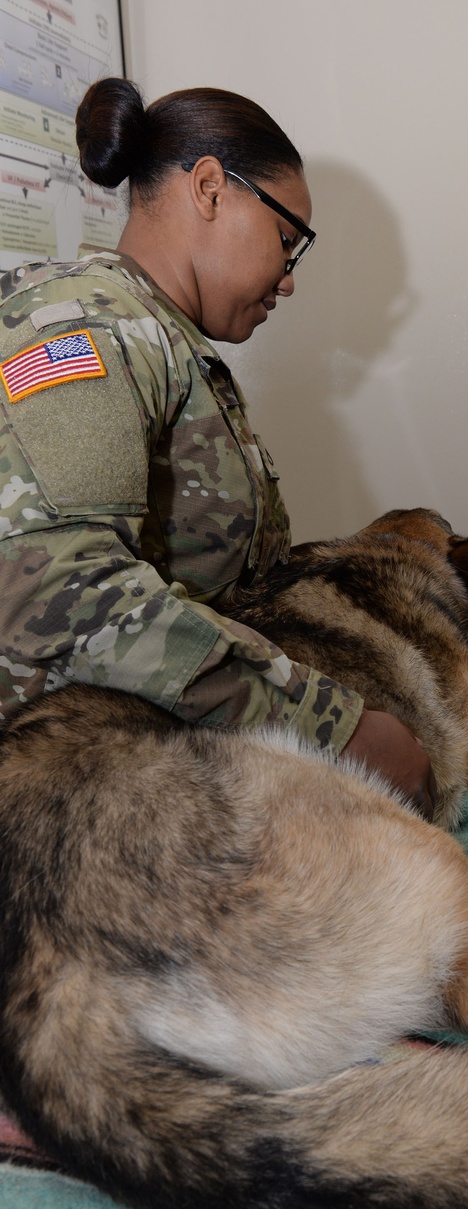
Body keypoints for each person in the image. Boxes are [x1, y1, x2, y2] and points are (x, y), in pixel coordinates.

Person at [0, 77, 434, 813]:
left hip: (162, 762)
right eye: (286, 242)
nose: (288, 282)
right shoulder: (83, 327)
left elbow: (234, 589)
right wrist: (328, 724)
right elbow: (62, 595)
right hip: (69, 798)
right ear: (209, 188)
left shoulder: (167, 345)